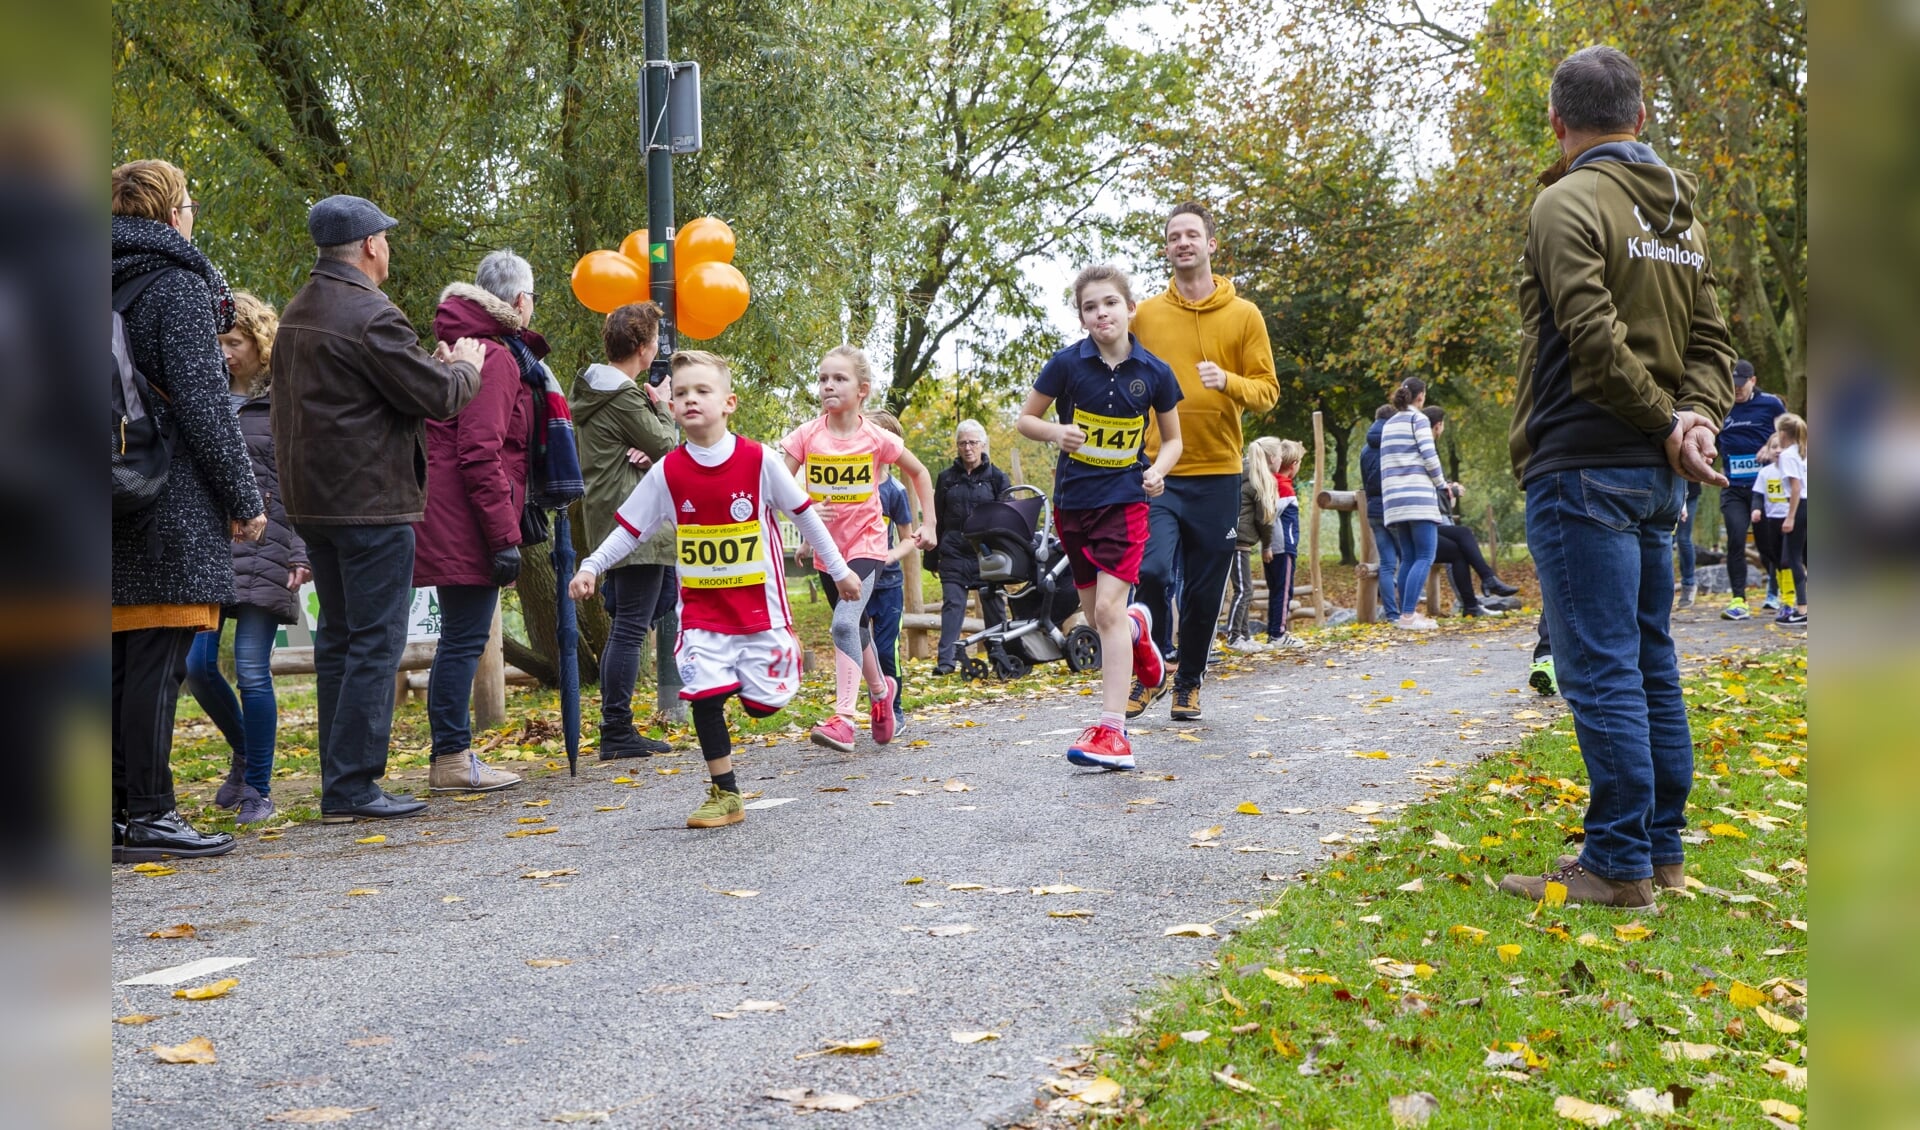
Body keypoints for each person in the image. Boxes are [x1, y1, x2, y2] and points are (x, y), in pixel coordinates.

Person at [1498, 46, 1736, 908]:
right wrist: (1697, 417)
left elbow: (1592, 344)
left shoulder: (1565, 203)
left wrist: (1681, 420)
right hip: (1653, 476)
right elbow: (1714, 346)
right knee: (1650, 661)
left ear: (1559, 125)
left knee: (1599, 666)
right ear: (1640, 119)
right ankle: (1661, 851)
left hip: (1582, 465)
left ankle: (1619, 865)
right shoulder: (1684, 223)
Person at [569, 350, 862, 828]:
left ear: (729, 402)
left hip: (760, 615)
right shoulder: (668, 471)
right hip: (702, 617)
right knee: (704, 694)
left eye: (702, 391)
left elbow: (804, 515)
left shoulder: (759, 460)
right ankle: (725, 793)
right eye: (681, 393)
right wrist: (592, 565)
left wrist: (840, 568)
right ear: (669, 407)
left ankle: (756, 690)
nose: (689, 400)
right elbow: (629, 529)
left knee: (764, 704)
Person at [272, 195, 484, 822]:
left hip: (315, 505)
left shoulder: (299, 310)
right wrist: (465, 368)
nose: (388, 248)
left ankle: (340, 783)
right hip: (371, 504)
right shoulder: (370, 314)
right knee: (375, 641)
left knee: (339, 639)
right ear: (369, 245)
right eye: (385, 239)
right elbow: (440, 396)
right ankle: (355, 785)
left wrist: (429, 368)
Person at [111, 159, 266, 861]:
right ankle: (150, 814)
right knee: (158, 662)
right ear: (174, 214)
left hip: (100, 491)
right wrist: (244, 497)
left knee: (115, 662)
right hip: (165, 500)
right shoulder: (175, 286)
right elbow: (206, 407)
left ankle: (112, 816)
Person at [1017, 263, 1183, 770]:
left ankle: (1114, 732)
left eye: (1110, 302)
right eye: (1090, 307)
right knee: (1097, 616)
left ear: (1130, 308)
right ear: (1083, 319)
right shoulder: (1067, 366)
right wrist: (1055, 434)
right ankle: (1138, 633)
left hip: (1126, 503)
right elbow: (1026, 419)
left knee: (1105, 612)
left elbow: (1173, 439)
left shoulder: (1154, 372)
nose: (1101, 312)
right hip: (1073, 505)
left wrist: (1158, 470)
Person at [1128, 202, 1279, 721]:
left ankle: (1188, 681)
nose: (1183, 243)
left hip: (1218, 471)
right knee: (1149, 569)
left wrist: (1228, 382)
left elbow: (1267, 392)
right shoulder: (1144, 315)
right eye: (1174, 237)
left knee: (1204, 586)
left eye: (1192, 235)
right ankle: (1148, 669)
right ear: (1167, 249)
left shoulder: (1244, 315)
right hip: (1158, 470)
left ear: (1211, 245)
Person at [413, 250, 550, 794]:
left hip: (452, 510)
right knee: (465, 639)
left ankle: (450, 754)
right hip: (466, 517)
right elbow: (480, 451)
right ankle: (450, 757)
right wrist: (504, 537)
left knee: (460, 636)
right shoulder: (494, 357)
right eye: (533, 297)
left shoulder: (461, 347)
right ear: (519, 301)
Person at [185, 291, 309, 828]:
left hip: (267, 546)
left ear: (259, 343)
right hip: (208, 550)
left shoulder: (284, 400)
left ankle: (258, 787)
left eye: (233, 341)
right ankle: (244, 751)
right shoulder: (202, 394)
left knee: (254, 673)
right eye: (217, 343)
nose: (224, 353)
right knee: (196, 665)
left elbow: (301, 480)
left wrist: (302, 551)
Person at [781, 346, 937, 752]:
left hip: (867, 548)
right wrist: (806, 505)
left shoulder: (875, 437)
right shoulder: (806, 435)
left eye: (839, 378)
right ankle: (881, 692)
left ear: (862, 389)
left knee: (843, 626)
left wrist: (929, 523)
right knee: (858, 629)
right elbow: (778, 486)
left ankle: (844, 718)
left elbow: (918, 472)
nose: (828, 385)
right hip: (827, 551)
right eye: (822, 379)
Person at [571, 302, 680, 759]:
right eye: (654, 339)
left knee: (657, 602)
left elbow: (648, 448)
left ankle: (617, 724)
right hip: (633, 520)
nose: (657, 346)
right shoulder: (626, 396)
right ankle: (616, 729)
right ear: (642, 347)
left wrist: (646, 447)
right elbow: (668, 444)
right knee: (633, 627)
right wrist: (663, 408)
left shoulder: (599, 392)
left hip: (615, 513)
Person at [929, 420, 1012, 676]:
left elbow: (1008, 517)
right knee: (953, 604)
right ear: (957, 446)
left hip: (986, 553)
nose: (967, 448)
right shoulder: (946, 479)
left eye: (973, 442)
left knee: (993, 605)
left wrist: (1007, 553)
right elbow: (937, 520)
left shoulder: (997, 478)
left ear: (983, 445)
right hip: (953, 551)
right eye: (963, 443)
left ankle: (1000, 657)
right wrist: (931, 559)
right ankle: (946, 662)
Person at [1424, 406, 1521, 617]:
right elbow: (1431, 484)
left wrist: (1447, 487)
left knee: (1463, 538)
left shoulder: (1424, 448)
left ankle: (1476, 597)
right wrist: (1452, 489)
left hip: (1426, 516)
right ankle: (1483, 586)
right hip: (1418, 520)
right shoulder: (1424, 449)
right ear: (1438, 425)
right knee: (1460, 545)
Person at [1379, 378, 1452, 631]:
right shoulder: (1418, 420)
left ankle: (1404, 614)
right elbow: (1428, 455)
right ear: (1420, 397)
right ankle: (1409, 615)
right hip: (1418, 498)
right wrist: (1442, 483)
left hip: (1395, 501)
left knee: (1408, 557)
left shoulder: (1388, 424)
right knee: (1425, 555)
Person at [1715, 360, 1785, 620]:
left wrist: (1770, 448)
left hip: (1765, 489)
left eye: (1741, 385)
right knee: (1735, 538)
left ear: (1753, 381)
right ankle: (1738, 600)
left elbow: (1789, 438)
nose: (1736, 390)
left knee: (1768, 545)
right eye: (1732, 385)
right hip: (1733, 487)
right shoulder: (1721, 403)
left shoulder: (1771, 404)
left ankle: (1776, 588)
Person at [866, 411, 915, 734]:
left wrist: (891, 555)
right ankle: (875, 706)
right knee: (860, 649)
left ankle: (894, 711)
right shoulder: (849, 486)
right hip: (855, 581)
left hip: (888, 583)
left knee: (886, 649)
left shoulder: (895, 491)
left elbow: (908, 537)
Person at [1224, 437, 1280, 652]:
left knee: (1244, 589)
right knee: (1243, 590)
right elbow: (1265, 518)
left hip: (1235, 538)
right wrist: (1267, 545)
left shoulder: (1243, 471)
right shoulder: (1260, 479)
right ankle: (1234, 636)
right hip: (1238, 540)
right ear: (1273, 458)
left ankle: (1245, 635)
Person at [1263, 438, 1307, 647]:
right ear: (1294, 464)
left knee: (1276, 589)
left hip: (1273, 546)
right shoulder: (1284, 487)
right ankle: (1278, 634)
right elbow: (1270, 515)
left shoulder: (1271, 483)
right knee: (1284, 589)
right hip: (1283, 546)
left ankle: (1273, 631)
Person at [1359, 405, 1401, 622]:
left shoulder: (1365, 450)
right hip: (1394, 507)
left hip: (1374, 510)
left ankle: (1392, 614)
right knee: (1407, 557)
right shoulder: (1393, 444)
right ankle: (1407, 610)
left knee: (1386, 564)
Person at [1772, 413, 1808, 624]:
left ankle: (1802, 609)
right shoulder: (1804, 452)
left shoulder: (1787, 456)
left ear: (1783, 433)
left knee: (1794, 557)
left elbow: (1795, 488)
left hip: (1800, 505)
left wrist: (1790, 517)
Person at [1749, 436, 1786, 616]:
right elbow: (1757, 494)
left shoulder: (1800, 469)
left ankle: (1791, 597)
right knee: (1773, 557)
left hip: (1793, 520)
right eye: (1774, 447)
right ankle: (1777, 594)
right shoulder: (1765, 473)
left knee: (1790, 559)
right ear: (1768, 451)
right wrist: (1756, 509)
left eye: (1783, 447)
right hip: (1772, 520)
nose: (1778, 450)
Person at [1674, 479, 1702, 606]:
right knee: (1666, 540)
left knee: (1683, 539)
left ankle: (1688, 583)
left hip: (1689, 490)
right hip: (1665, 488)